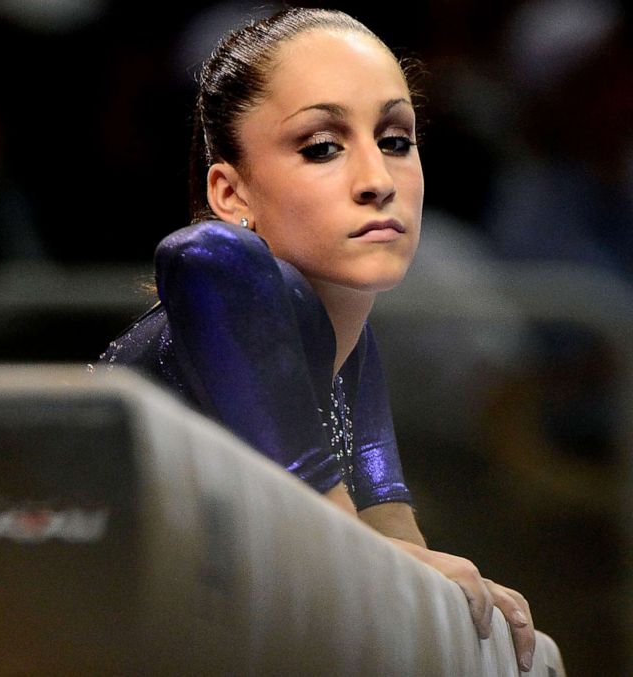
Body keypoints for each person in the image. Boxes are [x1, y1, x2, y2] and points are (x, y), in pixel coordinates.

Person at [99, 8, 536, 672]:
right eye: (322, 146)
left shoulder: (351, 348)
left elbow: (391, 528)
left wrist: (462, 616)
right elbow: (197, 254)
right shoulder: (226, 270)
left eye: (394, 139)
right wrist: (359, 538)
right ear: (229, 190)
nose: (376, 180)